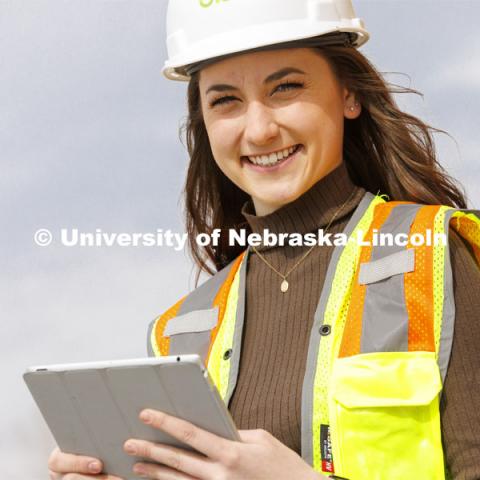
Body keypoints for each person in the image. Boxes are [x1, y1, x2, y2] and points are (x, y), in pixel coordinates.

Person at [48, 1, 480, 479]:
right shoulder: (184, 331)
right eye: (225, 100)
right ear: (205, 123)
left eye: (286, 87)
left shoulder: (433, 254)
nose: (259, 130)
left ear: (349, 94)